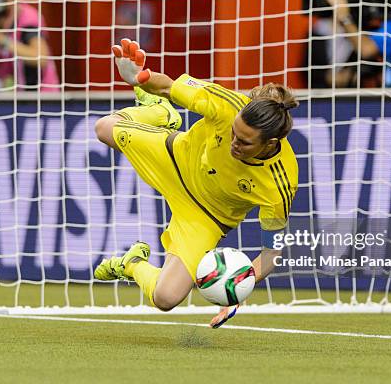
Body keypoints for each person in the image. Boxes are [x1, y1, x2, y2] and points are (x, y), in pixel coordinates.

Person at [93, 39, 298, 328]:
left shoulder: (280, 182)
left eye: (244, 141)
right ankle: (160, 113)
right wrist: (139, 77)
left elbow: (271, 253)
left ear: (270, 143)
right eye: (233, 132)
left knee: (165, 298)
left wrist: (238, 289)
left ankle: (130, 263)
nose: (233, 142)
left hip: (205, 217)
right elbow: (167, 86)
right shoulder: (227, 103)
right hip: (177, 158)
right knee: (103, 128)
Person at [0, 0, 59, 91]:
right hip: (18, 96)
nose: (5, 3)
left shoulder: (28, 18)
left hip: (42, 97)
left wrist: (2, 39)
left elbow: (40, 57)